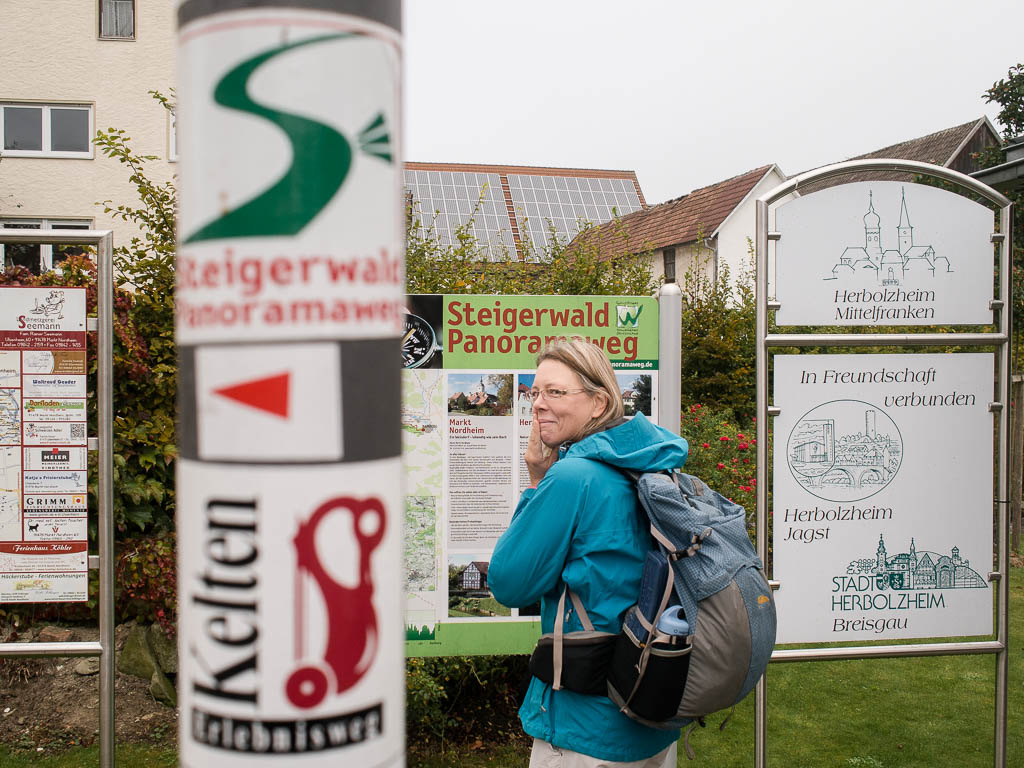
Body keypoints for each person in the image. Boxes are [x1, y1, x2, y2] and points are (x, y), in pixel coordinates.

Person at [489, 340, 688, 768]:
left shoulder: (573, 476)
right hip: (650, 701)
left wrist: (535, 482)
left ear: (598, 403)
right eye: (535, 392)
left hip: (585, 729)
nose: (538, 404)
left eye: (555, 393)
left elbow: (509, 582)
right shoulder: (649, 464)